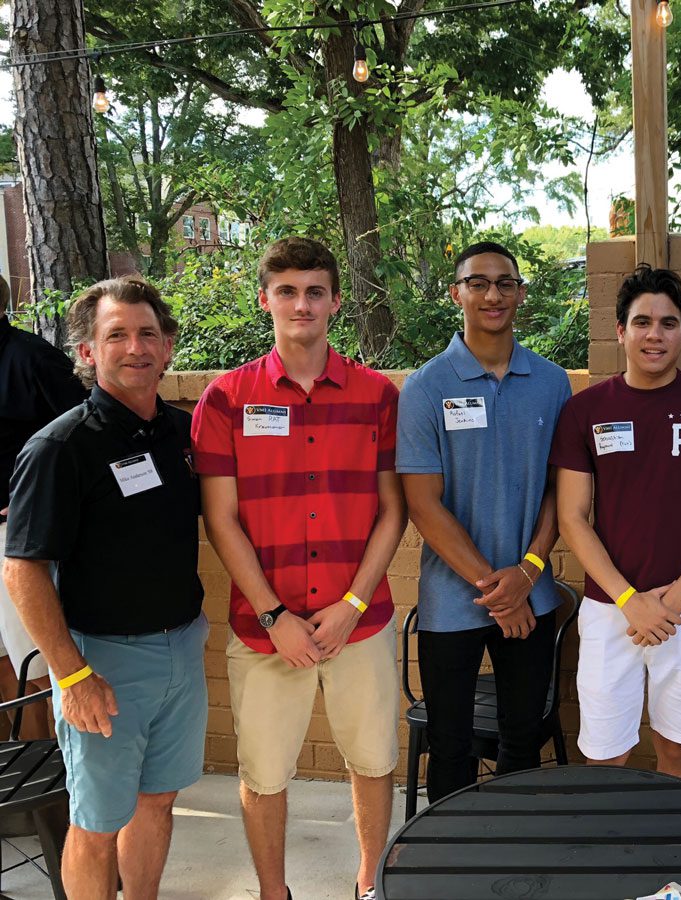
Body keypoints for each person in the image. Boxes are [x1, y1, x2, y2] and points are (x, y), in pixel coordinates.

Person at [192, 238, 405, 900]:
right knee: (264, 774)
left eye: (315, 291)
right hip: (266, 631)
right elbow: (221, 519)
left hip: (358, 624)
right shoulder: (225, 399)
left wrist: (352, 603)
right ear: (265, 301)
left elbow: (393, 513)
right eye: (286, 291)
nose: (301, 303)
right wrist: (274, 614)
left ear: (336, 302)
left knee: (373, 762)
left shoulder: (376, 395)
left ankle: (369, 883)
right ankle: (273, 893)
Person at [3, 276, 207, 899]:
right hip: (104, 662)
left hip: (182, 648)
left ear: (169, 347)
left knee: (157, 800)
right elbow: (22, 569)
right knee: (94, 823)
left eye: (148, 333)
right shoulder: (60, 447)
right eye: (116, 334)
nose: (135, 347)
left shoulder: (180, 433)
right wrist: (70, 675)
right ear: (88, 352)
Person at [552, 264, 681, 779]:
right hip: (609, 607)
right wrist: (628, 601)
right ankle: (614, 856)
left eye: (667, 323)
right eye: (642, 322)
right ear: (620, 331)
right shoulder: (585, 410)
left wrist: (674, 600)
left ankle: (671, 855)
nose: (654, 335)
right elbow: (572, 518)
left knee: (678, 750)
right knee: (605, 754)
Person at [397, 240, 571, 804]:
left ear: (520, 293)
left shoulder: (552, 382)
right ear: (457, 294)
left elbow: (560, 492)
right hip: (453, 604)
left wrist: (528, 571)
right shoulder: (426, 387)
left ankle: (512, 864)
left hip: (533, 599)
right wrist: (498, 591)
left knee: (522, 744)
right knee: (451, 746)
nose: (492, 294)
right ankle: (450, 871)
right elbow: (424, 504)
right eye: (478, 282)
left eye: (505, 283)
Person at [0, 277, 86, 738]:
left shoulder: (34, 359)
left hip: (17, 536)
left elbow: (83, 432)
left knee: (34, 663)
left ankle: (60, 775)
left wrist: (34, 501)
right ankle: (18, 771)